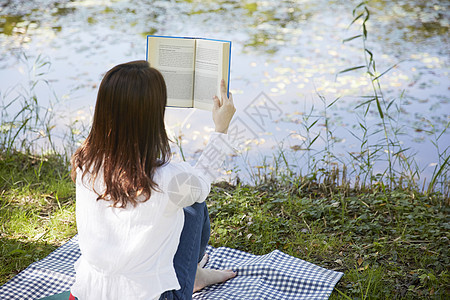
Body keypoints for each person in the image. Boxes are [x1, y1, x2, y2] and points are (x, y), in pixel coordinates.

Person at [69, 60, 237, 299]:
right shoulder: (167, 180)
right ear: (154, 117)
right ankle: (194, 276)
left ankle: (196, 275)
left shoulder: (85, 162)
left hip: (87, 294)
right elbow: (202, 182)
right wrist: (221, 130)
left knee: (183, 197)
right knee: (193, 202)